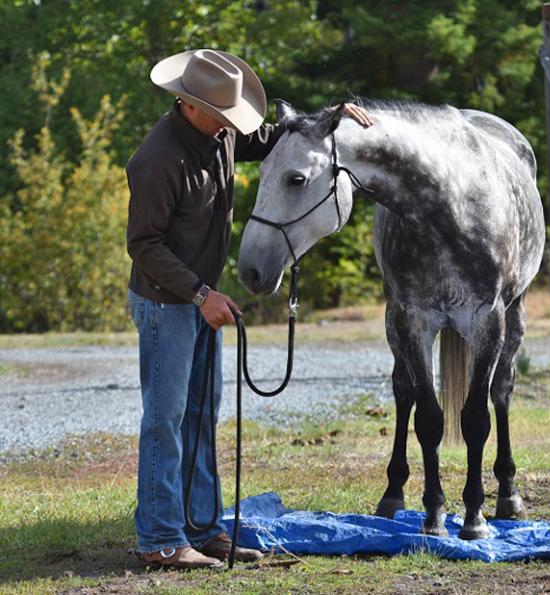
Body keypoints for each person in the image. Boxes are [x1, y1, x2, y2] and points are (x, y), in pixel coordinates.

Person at [126, 48, 372, 570]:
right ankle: (160, 539)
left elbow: (279, 137)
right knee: (166, 420)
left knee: (200, 416)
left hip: (198, 299)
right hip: (165, 303)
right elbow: (143, 245)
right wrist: (200, 295)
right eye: (222, 116)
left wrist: (333, 116)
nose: (232, 127)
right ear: (190, 106)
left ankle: (203, 528)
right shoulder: (158, 160)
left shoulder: (221, 133)